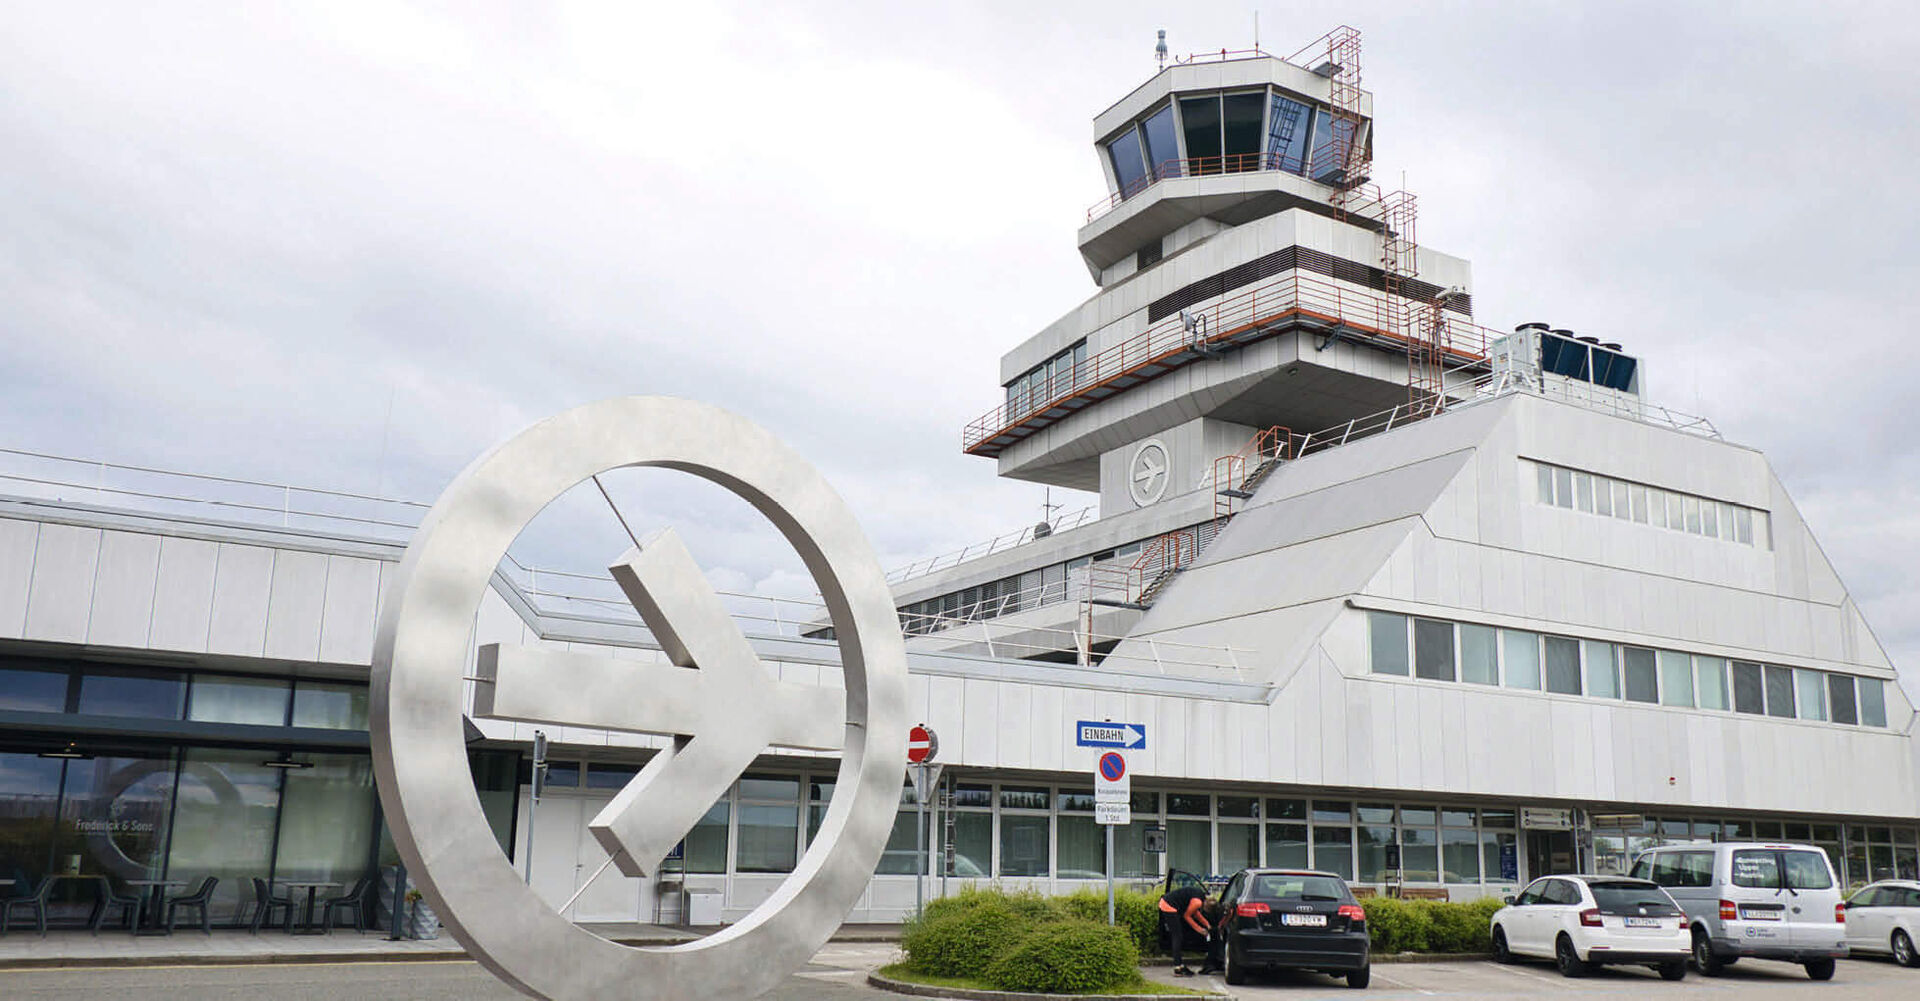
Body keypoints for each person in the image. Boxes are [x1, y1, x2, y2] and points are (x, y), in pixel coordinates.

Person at [1158, 883, 1214, 976]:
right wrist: (1200, 930)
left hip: (1169, 902)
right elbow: (1187, 916)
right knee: (1177, 936)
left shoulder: (1200, 896)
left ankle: (1179, 964)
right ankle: (1178, 967)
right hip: (1168, 905)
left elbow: (1195, 913)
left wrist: (1207, 924)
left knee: (1178, 935)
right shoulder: (1198, 902)